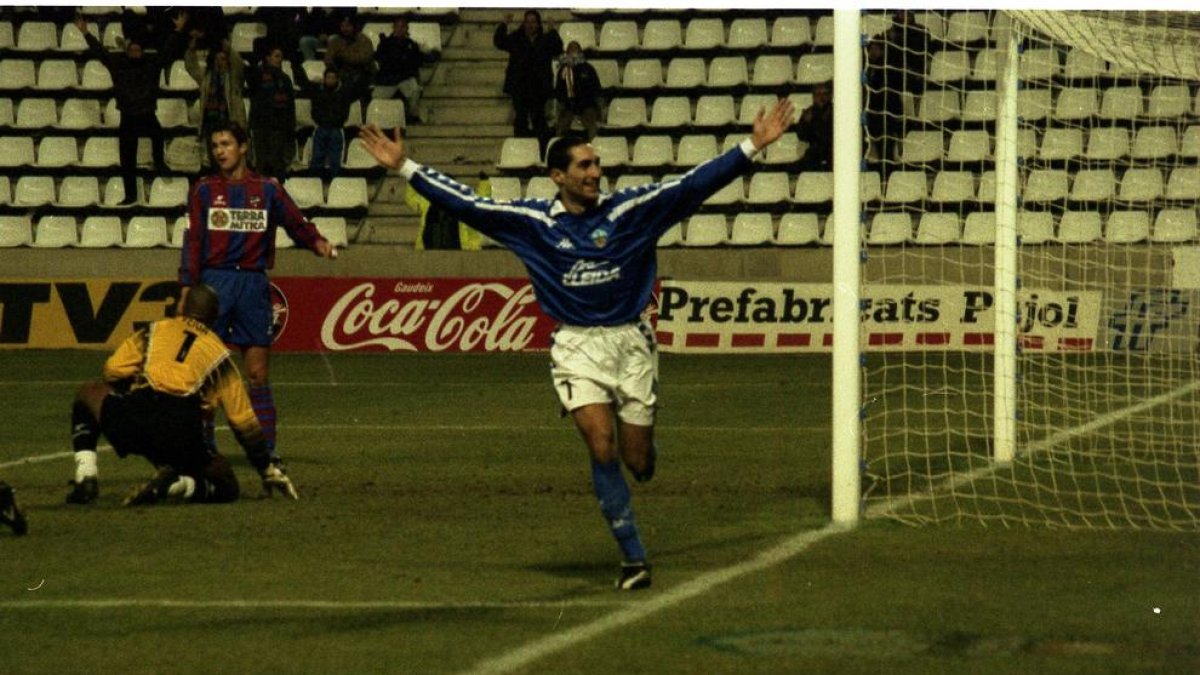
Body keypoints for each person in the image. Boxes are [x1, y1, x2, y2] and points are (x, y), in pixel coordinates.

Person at [359, 98, 795, 591]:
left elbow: (692, 184)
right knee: (600, 444)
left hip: (631, 343)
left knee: (639, 463)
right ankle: (634, 559)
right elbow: (467, 203)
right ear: (557, 176)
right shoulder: (533, 224)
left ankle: (643, 458)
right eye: (584, 166)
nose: (595, 173)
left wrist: (751, 146)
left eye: (596, 164)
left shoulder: (631, 212)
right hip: (575, 347)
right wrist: (405, 167)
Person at [179, 123, 337, 470]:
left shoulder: (267, 189)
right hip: (213, 286)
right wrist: (186, 288)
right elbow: (192, 242)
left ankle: (266, 451)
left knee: (257, 373)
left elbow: (296, 222)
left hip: (252, 286)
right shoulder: (203, 190)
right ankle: (204, 447)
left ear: (244, 147)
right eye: (215, 145)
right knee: (206, 373)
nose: (220, 151)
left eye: (226, 144)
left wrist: (317, 242)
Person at [65, 284, 298, 506]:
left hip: (138, 411)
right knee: (226, 483)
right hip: (182, 429)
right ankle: (179, 485)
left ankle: (86, 476)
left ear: (183, 308)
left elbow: (113, 370)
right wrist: (266, 469)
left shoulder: (155, 330)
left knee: (88, 392)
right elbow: (243, 421)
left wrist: (129, 393)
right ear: (214, 318)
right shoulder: (220, 356)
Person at [78, 12, 187, 203]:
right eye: (133, 51)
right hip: (128, 116)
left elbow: (167, 52)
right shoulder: (118, 65)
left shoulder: (151, 64)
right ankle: (130, 195)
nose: (136, 53)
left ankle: (159, 162)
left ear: (142, 51)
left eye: (138, 51)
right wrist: (86, 34)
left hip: (146, 113)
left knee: (157, 134)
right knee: (127, 160)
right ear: (127, 51)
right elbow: (101, 52)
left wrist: (178, 31)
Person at [494, 10, 563, 142]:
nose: (530, 25)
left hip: (539, 87)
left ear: (538, 24)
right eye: (527, 22)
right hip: (519, 86)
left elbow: (558, 48)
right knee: (521, 118)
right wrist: (504, 24)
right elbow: (499, 41)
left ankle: (540, 150)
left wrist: (553, 30)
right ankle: (521, 148)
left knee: (539, 119)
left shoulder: (545, 39)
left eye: (533, 22)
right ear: (523, 23)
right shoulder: (516, 38)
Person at [185, 26, 247, 168]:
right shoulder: (206, 78)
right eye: (218, 59)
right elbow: (190, 66)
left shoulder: (234, 78)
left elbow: (238, 63)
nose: (221, 62)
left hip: (229, 123)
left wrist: (228, 48)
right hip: (210, 125)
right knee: (214, 163)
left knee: (230, 163)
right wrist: (191, 49)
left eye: (224, 59)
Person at [293, 62, 356, 182]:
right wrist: (295, 66)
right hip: (321, 129)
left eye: (333, 78)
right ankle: (313, 186)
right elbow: (303, 82)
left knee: (336, 163)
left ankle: (335, 188)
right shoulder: (317, 91)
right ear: (324, 78)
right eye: (328, 77)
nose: (330, 80)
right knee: (316, 159)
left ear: (337, 79)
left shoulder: (344, 93)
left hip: (336, 130)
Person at [247, 45, 298, 179]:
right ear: (268, 58)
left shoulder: (286, 79)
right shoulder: (258, 76)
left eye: (280, 56)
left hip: (279, 128)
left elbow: (290, 106)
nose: (279, 59)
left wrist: (290, 127)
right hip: (261, 127)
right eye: (276, 56)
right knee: (261, 164)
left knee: (277, 164)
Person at [373, 17, 433, 124]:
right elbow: (381, 59)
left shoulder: (411, 44)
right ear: (393, 28)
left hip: (404, 79)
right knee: (374, 98)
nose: (400, 29)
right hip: (387, 81)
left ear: (407, 29)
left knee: (414, 89)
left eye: (402, 27)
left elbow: (419, 58)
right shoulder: (385, 43)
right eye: (397, 26)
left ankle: (413, 115)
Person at [405, 174, 485, 251]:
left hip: (455, 250)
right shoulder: (428, 200)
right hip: (431, 249)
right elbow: (411, 198)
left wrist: (484, 183)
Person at [325, 13, 376, 109]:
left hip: (361, 74)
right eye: (342, 26)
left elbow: (365, 58)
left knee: (349, 87)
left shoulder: (363, 40)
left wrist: (344, 57)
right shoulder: (335, 40)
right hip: (340, 72)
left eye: (348, 26)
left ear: (354, 26)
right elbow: (328, 59)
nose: (345, 29)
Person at [554, 40, 602, 140]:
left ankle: (594, 147)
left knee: (591, 124)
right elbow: (559, 91)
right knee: (561, 127)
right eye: (570, 49)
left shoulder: (588, 68)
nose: (573, 51)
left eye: (575, 48)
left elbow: (596, 89)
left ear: (580, 52)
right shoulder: (563, 70)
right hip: (568, 106)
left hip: (587, 105)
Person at [795, 82, 833, 171]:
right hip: (816, 151)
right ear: (813, 97)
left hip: (834, 149)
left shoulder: (837, 111)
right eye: (818, 94)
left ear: (830, 96)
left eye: (825, 94)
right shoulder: (809, 112)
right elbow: (802, 136)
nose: (821, 97)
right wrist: (806, 122)